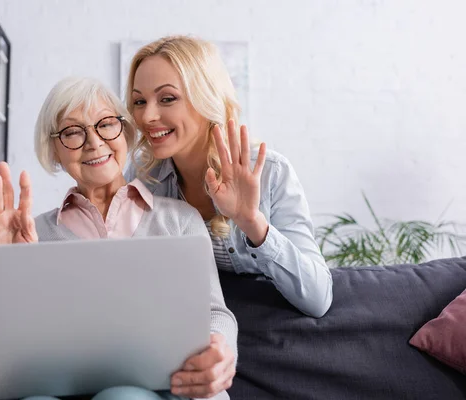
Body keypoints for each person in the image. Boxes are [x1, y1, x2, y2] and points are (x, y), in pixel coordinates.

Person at [0, 77, 237, 400]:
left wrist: (219, 346)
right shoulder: (31, 235)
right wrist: (2, 266)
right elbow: (3, 352)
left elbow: (215, 312)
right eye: (73, 132)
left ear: (126, 132)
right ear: (53, 150)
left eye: (106, 124)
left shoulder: (179, 219)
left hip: (171, 387)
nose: (94, 142)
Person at [125, 35, 333, 318]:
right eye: (139, 101)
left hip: (270, 334)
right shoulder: (142, 178)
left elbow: (318, 298)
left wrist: (252, 223)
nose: (147, 116)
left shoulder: (271, 172)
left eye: (167, 98)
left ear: (205, 99)